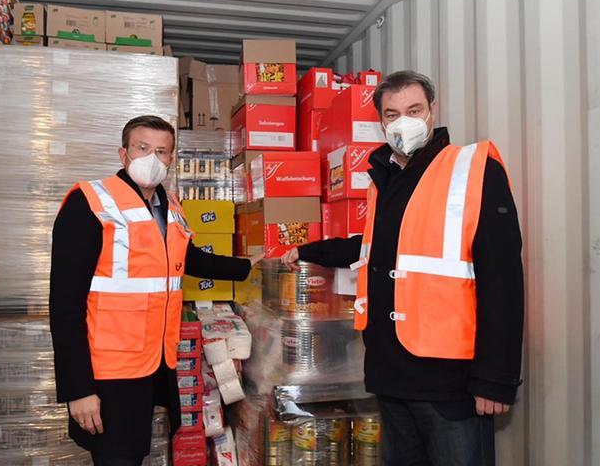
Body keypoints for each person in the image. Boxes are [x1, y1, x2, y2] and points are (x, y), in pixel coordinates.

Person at [281, 71, 524, 466]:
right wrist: (307, 250)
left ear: (432, 111)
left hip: (450, 382)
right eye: (392, 114)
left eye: (414, 109)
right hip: (390, 373)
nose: (403, 121)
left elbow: (504, 280)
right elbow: (374, 250)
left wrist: (496, 379)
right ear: (380, 121)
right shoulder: (386, 178)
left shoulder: (472, 169)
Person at [50, 115, 262, 466]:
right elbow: (64, 304)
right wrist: (78, 389)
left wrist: (246, 265)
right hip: (108, 370)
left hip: (154, 361)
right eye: (142, 148)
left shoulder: (171, 207)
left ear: (171, 160)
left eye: (161, 151)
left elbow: (187, 259)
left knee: (134, 452)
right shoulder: (90, 203)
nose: (152, 158)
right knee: (117, 457)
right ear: (124, 154)